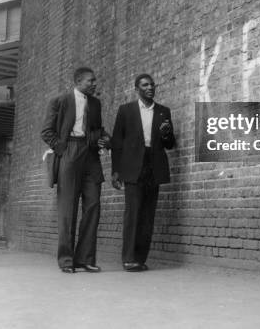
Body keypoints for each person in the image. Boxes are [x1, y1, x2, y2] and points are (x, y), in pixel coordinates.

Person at [41, 67, 109, 273]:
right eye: (91, 81)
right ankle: (67, 260)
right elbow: (46, 131)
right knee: (67, 208)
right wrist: (62, 149)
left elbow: (97, 128)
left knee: (93, 204)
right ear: (79, 81)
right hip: (69, 151)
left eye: (95, 80)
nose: (95, 84)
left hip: (90, 156)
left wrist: (104, 139)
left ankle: (85, 259)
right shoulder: (60, 101)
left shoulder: (96, 103)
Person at [111, 74, 176, 271]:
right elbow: (117, 143)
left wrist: (167, 133)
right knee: (133, 213)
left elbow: (170, 144)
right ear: (136, 89)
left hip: (153, 165)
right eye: (145, 85)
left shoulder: (164, 111)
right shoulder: (126, 111)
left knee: (148, 215)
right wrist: (116, 171)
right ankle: (129, 258)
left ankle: (140, 258)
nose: (150, 88)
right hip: (132, 167)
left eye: (152, 85)